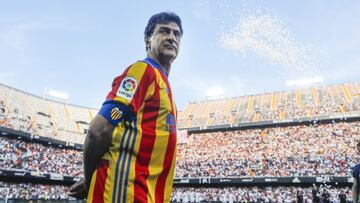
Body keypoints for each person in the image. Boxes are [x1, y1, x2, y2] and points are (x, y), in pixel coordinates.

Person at [69, 11, 183, 203]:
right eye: (164, 31)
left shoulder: (164, 86)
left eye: (176, 34)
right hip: (121, 195)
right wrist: (90, 181)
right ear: (148, 39)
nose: (172, 37)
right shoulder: (143, 71)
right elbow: (98, 131)